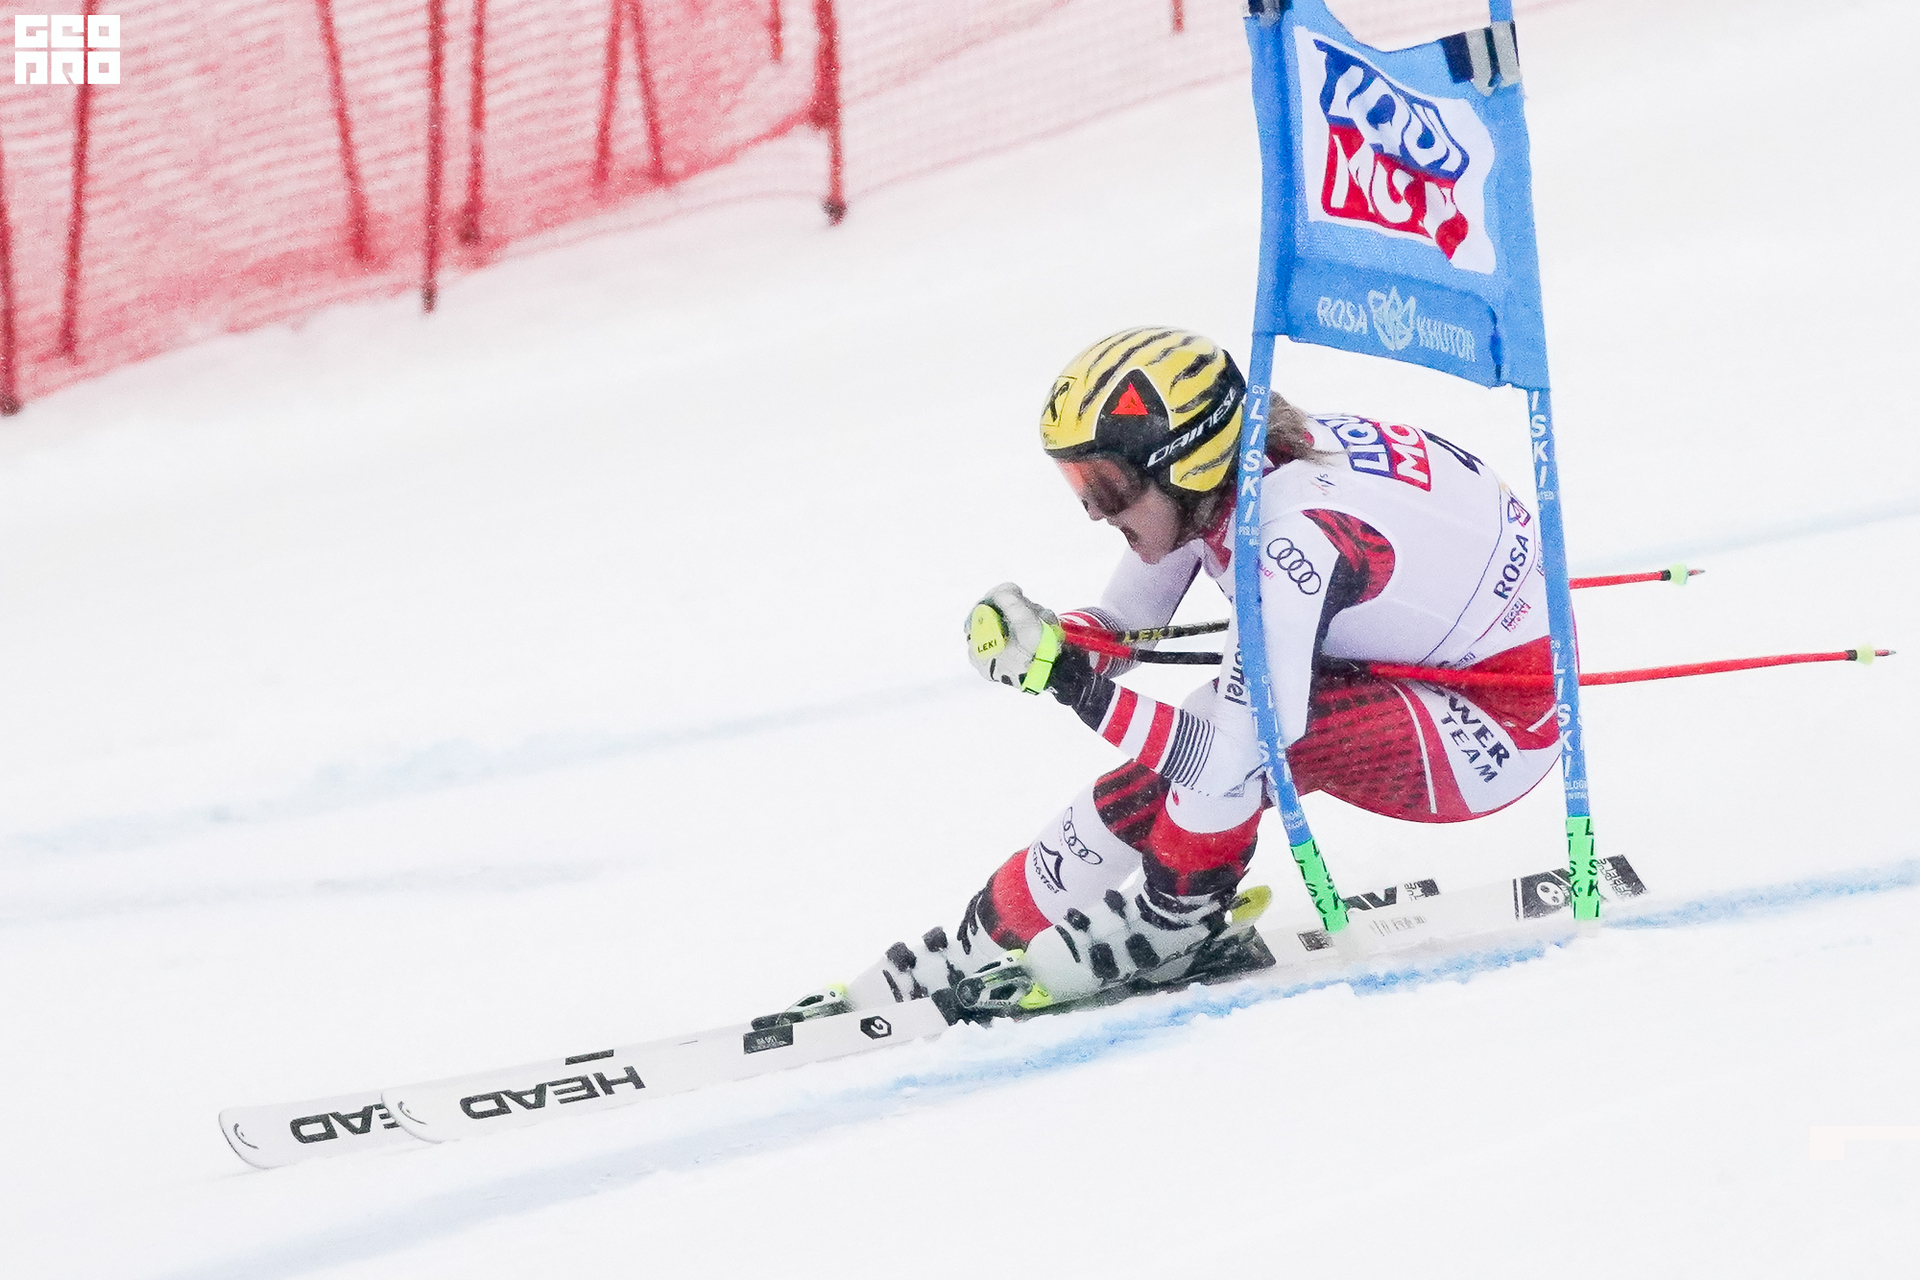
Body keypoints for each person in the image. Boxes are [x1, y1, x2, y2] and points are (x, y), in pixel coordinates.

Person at [782, 326, 1561, 1023]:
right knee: (1183, 753)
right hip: (1408, 667)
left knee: (1220, 731)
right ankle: (983, 940)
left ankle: (1175, 922)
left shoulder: (1289, 539)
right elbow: (1123, 627)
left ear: (1187, 463)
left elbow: (1236, 752)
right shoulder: (1216, 486)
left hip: (1494, 723)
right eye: (1080, 486)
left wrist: (1077, 687)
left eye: (1107, 487)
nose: (1096, 513)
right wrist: (1050, 639)